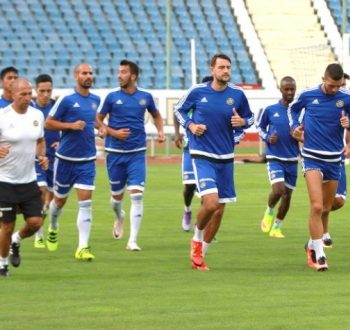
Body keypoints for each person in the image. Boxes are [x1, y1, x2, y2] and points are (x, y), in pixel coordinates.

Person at [175, 53, 254, 271]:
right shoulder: (197, 91)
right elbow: (179, 110)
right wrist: (191, 126)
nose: (226, 71)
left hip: (226, 158)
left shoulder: (237, 94)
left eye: (228, 67)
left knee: (219, 210)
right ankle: (196, 239)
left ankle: (202, 254)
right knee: (210, 202)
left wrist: (242, 122)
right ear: (212, 69)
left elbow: (250, 118)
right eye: (221, 67)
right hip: (202, 155)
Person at [289, 63, 350, 271]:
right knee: (316, 205)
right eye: (331, 86)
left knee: (327, 208)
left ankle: (311, 244)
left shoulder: (346, 98)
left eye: (338, 86)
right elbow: (292, 110)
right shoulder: (308, 95)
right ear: (324, 79)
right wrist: (295, 127)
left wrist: (349, 123)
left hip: (334, 159)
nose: (334, 90)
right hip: (311, 156)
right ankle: (320, 254)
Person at [97, 60, 165, 251]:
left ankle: (133, 240)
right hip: (115, 153)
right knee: (115, 198)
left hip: (136, 153)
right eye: (118, 72)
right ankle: (119, 217)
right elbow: (98, 120)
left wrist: (159, 130)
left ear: (133, 76)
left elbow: (157, 115)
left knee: (137, 194)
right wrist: (111, 132)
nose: (119, 75)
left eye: (123, 72)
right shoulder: (111, 97)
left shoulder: (145, 97)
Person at [44, 63, 105, 260]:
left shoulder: (96, 99)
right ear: (75, 76)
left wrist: (102, 128)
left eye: (90, 73)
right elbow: (49, 122)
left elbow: (93, 119)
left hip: (87, 159)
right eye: (84, 73)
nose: (88, 76)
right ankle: (53, 226)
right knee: (59, 200)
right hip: (65, 159)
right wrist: (70, 125)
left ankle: (83, 247)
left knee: (86, 202)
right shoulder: (66, 100)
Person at [0, 78, 49, 276]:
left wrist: (42, 156)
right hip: (4, 180)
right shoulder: (3, 116)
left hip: (28, 179)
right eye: (23, 94)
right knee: (6, 225)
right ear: (12, 94)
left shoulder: (37, 115)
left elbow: (40, 139)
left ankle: (16, 240)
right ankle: (2, 264)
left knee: (36, 222)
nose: (28, 98)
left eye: (30, 94)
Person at [258, 76, 298, 238]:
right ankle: (269, 211)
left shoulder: (299, 111)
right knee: (279, 190)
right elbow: (260, 128)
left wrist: (300, 135)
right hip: (275, 157)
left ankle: (276, 227)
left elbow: (306, 131)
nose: (289, 92)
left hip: (293, 159)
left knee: (287, 195)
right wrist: (268, 137)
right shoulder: (270, 110)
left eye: (292, 89)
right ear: (281, 90)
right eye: (286, 89)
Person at [324, 72, 350, 247]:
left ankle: (318, 216)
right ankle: (323, 232)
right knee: (324, 198)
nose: (341, 88)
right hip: (317, 156)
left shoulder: (346, 103)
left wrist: (349, 146)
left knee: (338, 200)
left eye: (343, 85)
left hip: (337, 156)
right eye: (338, 85)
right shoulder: (319, 101)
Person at [31, 74, 59, 248]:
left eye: (49, 91)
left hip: (56, 159)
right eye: (42, 91)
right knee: (41, 192)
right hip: (36, 158)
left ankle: (50, 226)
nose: (45, 94)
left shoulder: (58, 108)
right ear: (36, 90)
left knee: (54, 199)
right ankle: (38, 234)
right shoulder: (30, 109)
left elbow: (68, 129)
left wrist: (62, 141)